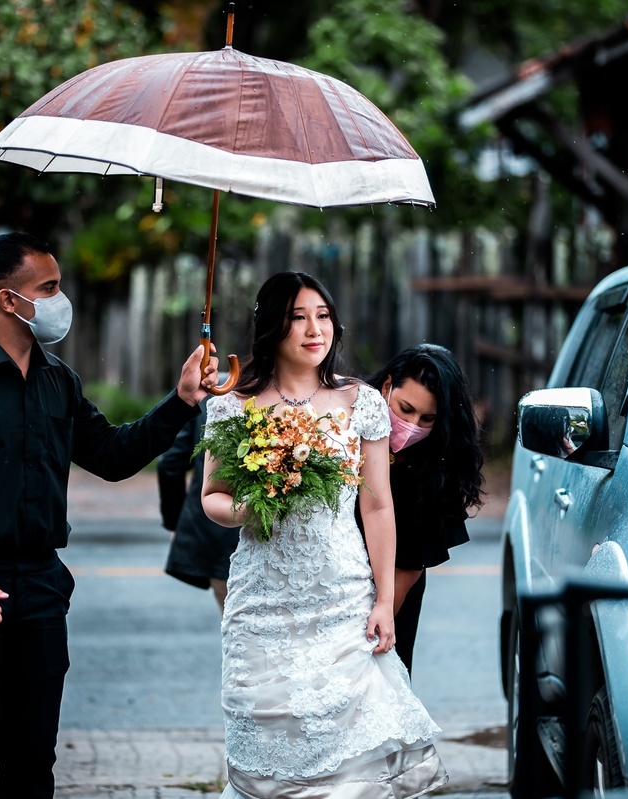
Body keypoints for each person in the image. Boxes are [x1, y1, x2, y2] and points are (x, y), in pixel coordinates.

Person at [0, 231, 218, 799]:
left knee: (33, 761)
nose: (63, 300)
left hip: (39, 588)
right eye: (50, 287)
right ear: (10, 299)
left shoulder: (57, 380)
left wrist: (181, 402)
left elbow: (112, 456)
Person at [200, 271, 447, 799]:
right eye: (298, 317)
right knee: (268, 750)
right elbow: (212, 497)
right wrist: (247, 505)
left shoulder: (361, 401)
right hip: (261, 601)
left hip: (342, 600)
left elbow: (378, 505)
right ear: (273, 326)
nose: (316, 329)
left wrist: (384, 601)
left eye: (324, 315)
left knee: (349, 758)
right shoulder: (231, 403)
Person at [362, 344, 485, 674]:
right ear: (387, 387)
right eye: (405, 409)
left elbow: (409, 566)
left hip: (390, 597)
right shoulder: (345, 427)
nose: (412, 425)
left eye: (427, 419)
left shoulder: (440, 469)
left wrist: (380, 611)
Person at [156, 390, 240, 612]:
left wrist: (176, 522)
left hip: (218, 537)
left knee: (237, 631)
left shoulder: (211, 394)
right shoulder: (301, 391)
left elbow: (170, 464)